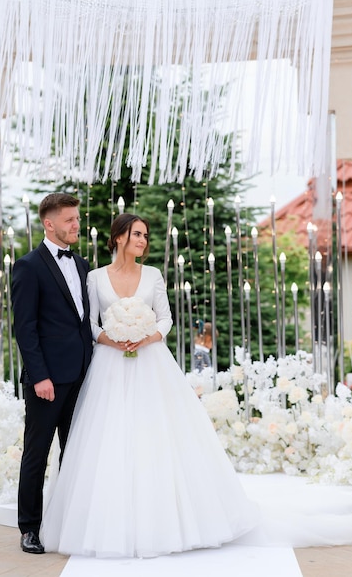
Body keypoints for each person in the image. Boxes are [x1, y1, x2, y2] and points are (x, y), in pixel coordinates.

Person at [40, 213, 258, 558]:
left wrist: (149, 336)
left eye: (145, 235)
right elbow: (91, 322)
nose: (143, 240)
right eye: (137, 234)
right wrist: (111, 340)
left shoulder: (153, 275)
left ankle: (170, 519)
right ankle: (108, 522)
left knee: (157, 434)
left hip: (151, 361)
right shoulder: (95, 277)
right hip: (109, 366)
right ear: (119, 237)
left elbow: (166, 317)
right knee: (110, 438)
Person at [12, 193, 93, 554]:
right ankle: (29, 527)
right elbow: (25, 328)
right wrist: (39, 375)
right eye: (70, 220)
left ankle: (69, 523)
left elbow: (84, 321)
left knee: (74, 452)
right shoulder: (29, 266)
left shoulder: (83, 265)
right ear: (49, 223)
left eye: (77, 218)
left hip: (82, 376)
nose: (77, 224)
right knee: (37, 454)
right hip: (47, 381)